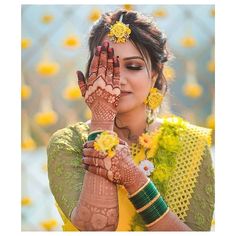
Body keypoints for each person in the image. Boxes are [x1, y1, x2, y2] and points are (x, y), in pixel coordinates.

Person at [47, 9, 214, 231]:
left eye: (133, 67)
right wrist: (102, 123)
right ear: (91, 73)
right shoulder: (68, 144)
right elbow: (96, 229)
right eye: (108, 68)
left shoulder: (191, 145)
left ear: (154, 73)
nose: (119, 79)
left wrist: (132, 176)